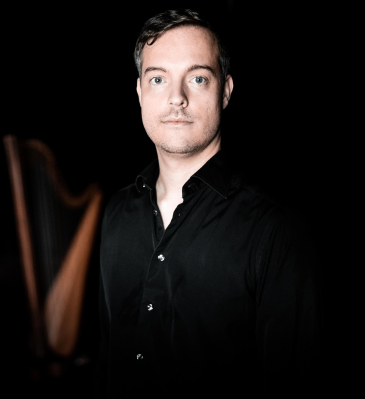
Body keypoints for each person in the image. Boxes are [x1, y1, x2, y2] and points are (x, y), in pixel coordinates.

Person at [95, 9, 322, 397]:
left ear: (226, 91)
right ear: (139, 92)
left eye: (197, 78)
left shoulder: (274, 228)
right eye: (158, 79)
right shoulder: (117, 213)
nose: (176, 98)